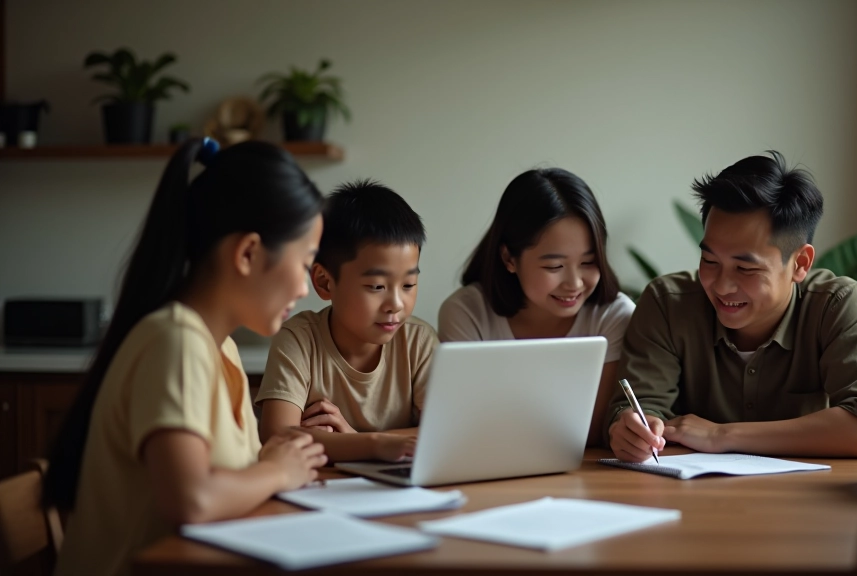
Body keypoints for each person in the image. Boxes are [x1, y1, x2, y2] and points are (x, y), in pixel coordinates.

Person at [46, 139, 328, 576]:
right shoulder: (175, 341)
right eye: (306, 262)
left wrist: (274, 460)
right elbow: (191, 501)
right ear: (248, 253)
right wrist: (276, 472)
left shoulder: (220, 347)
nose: (304, 288)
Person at [607, 151, 857, 462]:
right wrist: (634, 431)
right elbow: (641, 408)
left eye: (745, 269)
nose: (721, 286)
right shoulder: (668, 304)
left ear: (800, 263)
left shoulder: (837, 305)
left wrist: (722, 435)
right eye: (709, 261)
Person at [439, 168, 635, 445]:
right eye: (554, 266)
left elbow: (593, 432)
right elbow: (466, 427)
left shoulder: (614, 316)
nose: (574, 283)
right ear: (509, 258)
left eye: (588, 262)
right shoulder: (467, 314)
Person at [256, 180, 431, 462]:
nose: (396, 304)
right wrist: (374, 445)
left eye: (408, 284)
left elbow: (444, 432)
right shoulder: (299, 339)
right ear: (325, 282)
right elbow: (278, 434)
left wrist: (354, 438)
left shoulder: (419, 342)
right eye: (376, 286)